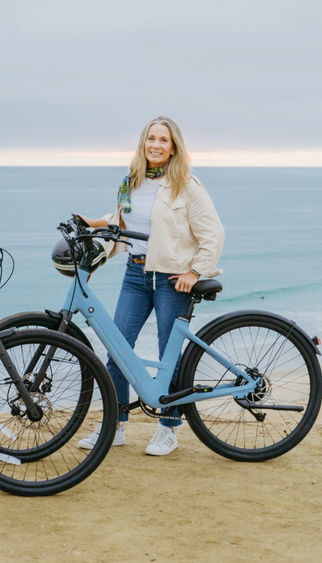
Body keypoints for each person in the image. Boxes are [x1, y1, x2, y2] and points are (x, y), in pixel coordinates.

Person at [73, 116, 224, 457]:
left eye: (164, 141)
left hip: (172, 280)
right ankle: (115, 425)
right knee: (117, 348)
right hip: (135, 275)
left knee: (167, 354)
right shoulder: (131, 182)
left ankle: (169, 429)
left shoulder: (186, 185)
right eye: (151, 138)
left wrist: (196, 272)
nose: (156, 145)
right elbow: (122, 220)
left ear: (173, 149)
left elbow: (212, 233)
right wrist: (96, 223)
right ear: (144, 143)